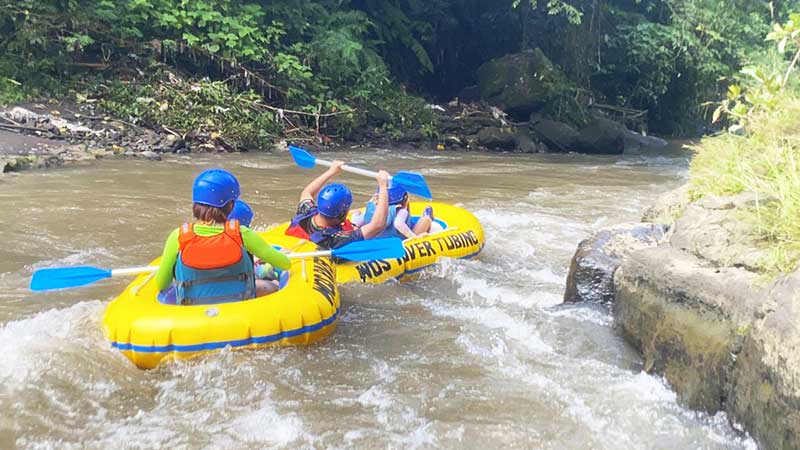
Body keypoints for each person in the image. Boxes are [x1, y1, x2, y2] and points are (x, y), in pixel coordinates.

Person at [154, 169, 290, 305]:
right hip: (239, 306)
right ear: (230, 205)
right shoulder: (242, 234)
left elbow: (162, 284)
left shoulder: (177, 236)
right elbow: (284, 264)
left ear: (195, 204)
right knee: (272, 286)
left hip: (193, 312)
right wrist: (279, 256)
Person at [286, 160, 391, 249]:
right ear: (341, 214)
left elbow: (306, 192)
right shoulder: (337, 238)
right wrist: (383, 186)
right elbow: (377, 225)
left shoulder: (306, 212)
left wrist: (331, 171)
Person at [358, 183, 439, 239]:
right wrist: (413, 237)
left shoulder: (371, 208)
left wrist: (356, 216)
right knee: (426, 220)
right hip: (399, 242)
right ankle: (427, 217)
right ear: (404, 198)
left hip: (377, 241)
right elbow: (398, 224)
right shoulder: (401, 211)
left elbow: (360, 222)